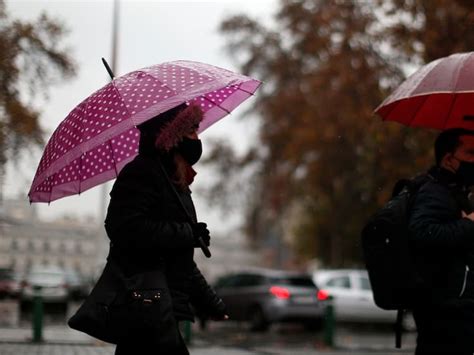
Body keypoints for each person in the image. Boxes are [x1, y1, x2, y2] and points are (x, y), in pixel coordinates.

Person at [104, 103, 228, 355]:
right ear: (171, 136)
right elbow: (124, 228)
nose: (197, 139)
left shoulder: (173, 179)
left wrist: (210, 303)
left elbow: (179, 262)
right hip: (147, 306)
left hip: (163, 309)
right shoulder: (142, 173)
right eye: (192, 131)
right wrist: (186, 234)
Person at [409, 128, 474, 355]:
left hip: (452, 305)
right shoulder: (434, 192)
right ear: (448, 159)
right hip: (443, 309)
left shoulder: (454, 191)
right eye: (470, 154)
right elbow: (422, 232)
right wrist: (469, 224)